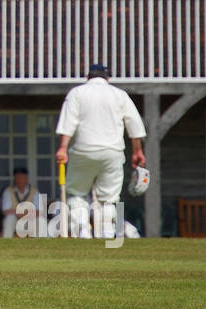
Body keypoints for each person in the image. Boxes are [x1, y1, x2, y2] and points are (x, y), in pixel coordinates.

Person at [55, 63, 147, 238]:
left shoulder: (77, 93)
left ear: (88, 77)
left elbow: (69, 122)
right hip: (112, 152)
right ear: (108, 78)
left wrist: (63, 148)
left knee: (77, 192)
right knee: (109, 198)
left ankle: (82, 230)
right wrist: (137, 151)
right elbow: (134, 123)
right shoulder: (119, 95)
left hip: (83, 150)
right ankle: (107, 232)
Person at [0, 165, 43, 238]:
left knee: (40, 220)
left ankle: (41, 245)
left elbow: (39, 211)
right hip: (15, 221)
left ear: (26, 178)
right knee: (9, 218)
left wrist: (22, 213)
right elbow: (6, 211)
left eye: (22, 177)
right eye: (17, 177)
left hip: (30, 221)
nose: (19, 180)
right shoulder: (8, 191)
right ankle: (6, 244)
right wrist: (25, 213)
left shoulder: (34, 191)